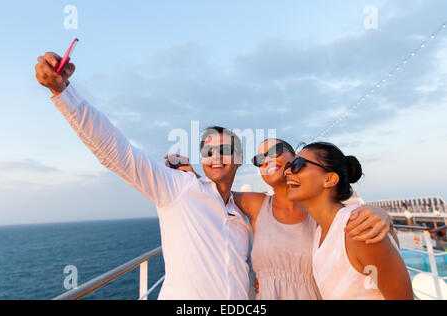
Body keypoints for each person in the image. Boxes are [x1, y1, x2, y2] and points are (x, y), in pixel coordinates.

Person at [35, 52, 253, 299]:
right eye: (209, 150)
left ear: (239, 159)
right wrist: (63, 92)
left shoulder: (241, 218)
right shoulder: (179, 188)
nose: (216, 157)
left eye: (225, 150)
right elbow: (119, 153)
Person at [166, 139, 397, 299]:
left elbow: (346, 211)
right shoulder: (257, 205)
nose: (267, 159)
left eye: (275, 150)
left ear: (295, 159)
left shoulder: (320, 210)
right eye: (260, 158)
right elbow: (216, 194)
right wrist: (194, 175)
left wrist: (383, 215)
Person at [284, 142, 413, 300]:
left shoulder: (358, 228)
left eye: (298, 164)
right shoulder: (320, 232)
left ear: (330, 179)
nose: (288, 171)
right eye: (289, 165)